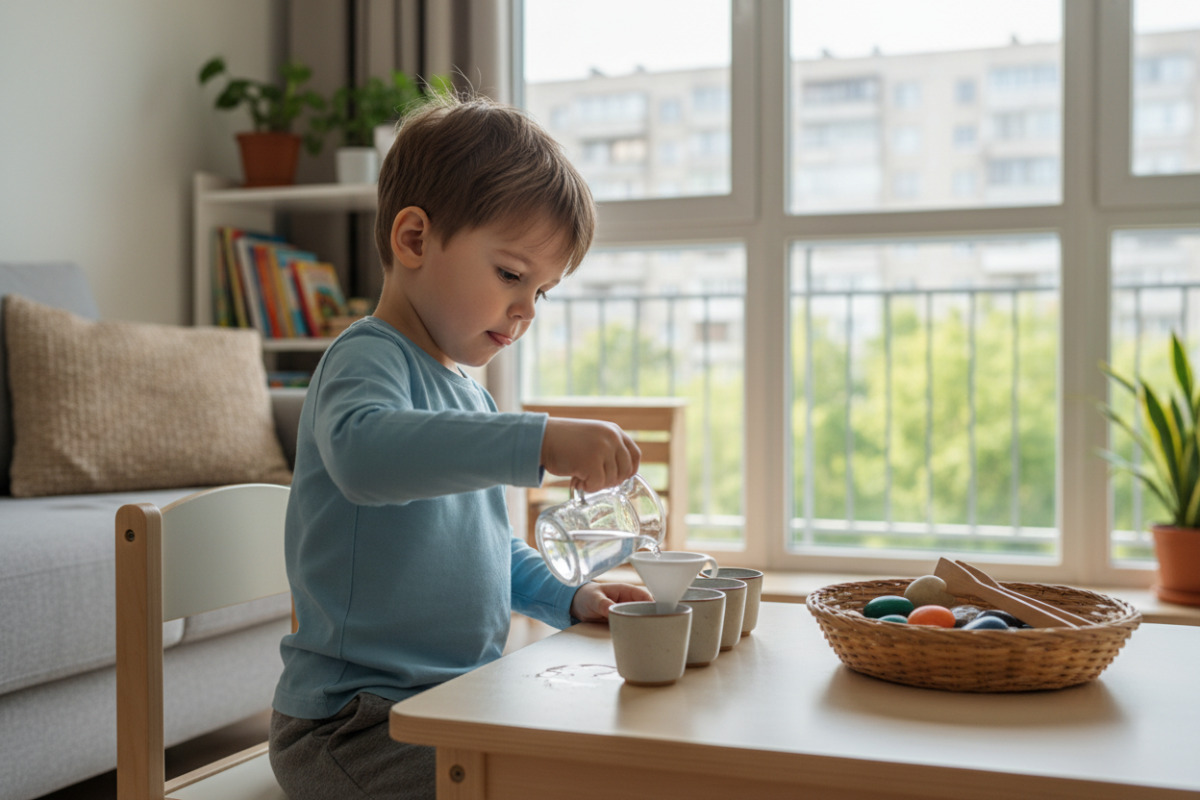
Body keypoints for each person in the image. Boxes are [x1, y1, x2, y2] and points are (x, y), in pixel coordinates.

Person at [268, 93, 652, 800]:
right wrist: (537, 438)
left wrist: (571, 600)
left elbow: (490, 547)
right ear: (414, 239)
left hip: (451, 706)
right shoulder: (365, 359)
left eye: (543, 291)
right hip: (355, 726)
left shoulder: (467, 395)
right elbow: (365, 456)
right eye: (511, 274)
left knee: (601, 753)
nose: (526, 310)